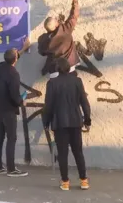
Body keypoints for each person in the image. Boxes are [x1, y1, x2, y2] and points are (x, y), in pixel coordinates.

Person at [43, 57, 91, 191]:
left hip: (59, 123)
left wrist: (46, 122)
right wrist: (87, 120)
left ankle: (65, 182)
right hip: (76, 122)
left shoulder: (52, 83)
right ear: (69, 68)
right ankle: (84, 181)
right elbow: (84, 103)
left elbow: (48, 106)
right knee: (78, 152)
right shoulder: (77, 81)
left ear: (57, 69)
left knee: (63, 154)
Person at [0, 39, 30, 177]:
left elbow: (11, 59)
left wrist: (23, 49)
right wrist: (22, 100)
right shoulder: (14, 74)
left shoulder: (0, 66)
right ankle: (11, 169)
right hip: (9, 110)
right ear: (15, 59)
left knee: (0, 138)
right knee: (11, 138)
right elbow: (15, 96)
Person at [38, 0, 80, 78]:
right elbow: (74, 16)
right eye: (56, 20)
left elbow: (41, 52)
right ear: (56, 25)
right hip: (69, 68)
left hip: (54, 70)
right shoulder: (65, 30)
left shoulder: (42, 39)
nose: (57, 20)